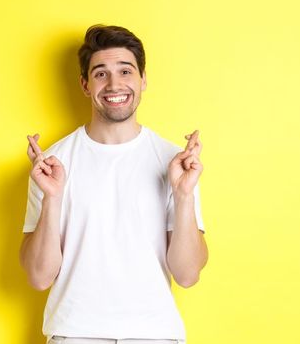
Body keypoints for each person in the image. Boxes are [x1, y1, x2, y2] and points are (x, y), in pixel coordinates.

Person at [20, 25, 208, 344]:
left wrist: (184, 195)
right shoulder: (53, 164)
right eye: (101, 74)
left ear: (143, 79)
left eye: (125, 70)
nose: (115, 84)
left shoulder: (174, 163)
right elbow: (39, 277)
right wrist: (53, 198)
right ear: (84, 84)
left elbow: (188, 275)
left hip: (155, 335)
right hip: (74, 334)